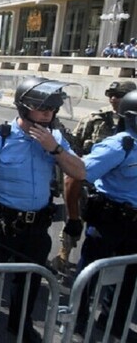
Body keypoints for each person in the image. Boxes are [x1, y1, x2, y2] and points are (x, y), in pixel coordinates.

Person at [0, 77, 86, 343]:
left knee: (30, 280)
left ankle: (20, 326)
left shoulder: (55, 139)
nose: (48, 113)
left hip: (37, 225)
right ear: (24, 107)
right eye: (42, 108)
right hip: (1, 224)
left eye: (52, 108)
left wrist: (55, 149)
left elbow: (80, 172)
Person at [73, 89, 137, 340]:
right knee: (90, 272)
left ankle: (114, 321)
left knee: (129, 276)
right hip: (110, 218)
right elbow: (79, 174)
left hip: (134, 225)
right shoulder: (119, 145)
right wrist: (73, 215)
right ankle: (76, 318)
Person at [53, 80, 137, 270]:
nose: (113, 99)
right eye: (111, 95)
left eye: (119, 95)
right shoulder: (97, 121)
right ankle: (64, 254)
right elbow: (74, 150)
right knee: (75, 224)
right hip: (90, 185)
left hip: (124, 206)